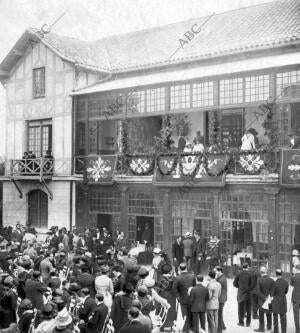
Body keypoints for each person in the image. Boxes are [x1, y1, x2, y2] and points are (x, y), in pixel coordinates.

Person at [173, 262, 195, 332]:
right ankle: (191, 328)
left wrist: (178, 297)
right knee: (191, 314)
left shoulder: (177, 278)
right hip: (192, 299)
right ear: (186, 268)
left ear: (180, 268)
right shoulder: (192, 276)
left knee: (185, 315)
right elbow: (195, 287)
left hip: (182, 299)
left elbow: (174, 288)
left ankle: (186, 329)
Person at [255, 266, 274, 332]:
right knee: (269, 313)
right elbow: (273, 290)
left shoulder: (259, 280)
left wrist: (264, 297)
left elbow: (258, 291)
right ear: (266, 271)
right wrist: (269, 298)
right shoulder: (271, 280)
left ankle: (261, 328)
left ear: (261, 272)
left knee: (261, 314)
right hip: (269, 300)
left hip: (261, 300)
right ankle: (269, 327)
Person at [233, 263, 252, 327]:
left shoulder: (238, 274)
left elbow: (234, 284)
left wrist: (240, 287)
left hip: (241, 293)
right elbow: (252, 284)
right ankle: (248, 323)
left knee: (240, 308)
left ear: (242, 267)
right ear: (248, 267)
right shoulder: (250, 274)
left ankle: (241, 322)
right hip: (249, 294)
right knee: (249, 308)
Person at [270, 269, 289, 333]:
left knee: (275, 317)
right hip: (283, 300)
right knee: (283, 317)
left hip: (276, 301)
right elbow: (286, 291)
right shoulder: (286, 282)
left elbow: (271, 294)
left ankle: (276, 331)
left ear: (276, 274)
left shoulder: (275, 283)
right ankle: (284, 331)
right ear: (282, 274)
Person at [215, 266, 227, 333]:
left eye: (216, 271)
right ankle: (222, 326)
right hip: (222, 298)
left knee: (219, 314)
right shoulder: (221, 277)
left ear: (219, 271)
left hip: (221, 298)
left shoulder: (221, 279)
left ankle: (219, 329)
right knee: (220, 313)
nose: (215, 273)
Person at [291, 264, 300, 333]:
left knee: (296, 315)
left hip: (296, 297)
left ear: (296, 269)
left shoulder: (294, 277)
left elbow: (291, 284)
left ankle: (297, 330)